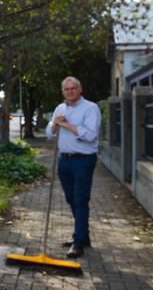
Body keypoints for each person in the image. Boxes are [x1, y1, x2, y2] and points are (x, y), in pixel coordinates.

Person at [45, 76, 101, 259]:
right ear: (63, 92)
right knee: (71, 199)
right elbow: (49, 133)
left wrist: (65, 124)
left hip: (83, 161)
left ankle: (78, 243)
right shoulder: (59, 109)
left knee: (80, 200)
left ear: (80, 89)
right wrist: (55, 123)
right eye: (66, 89)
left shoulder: (91, 108)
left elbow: (90, 135)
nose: (70, 92)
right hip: (65, 161)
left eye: (73, 88)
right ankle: (83, 236)